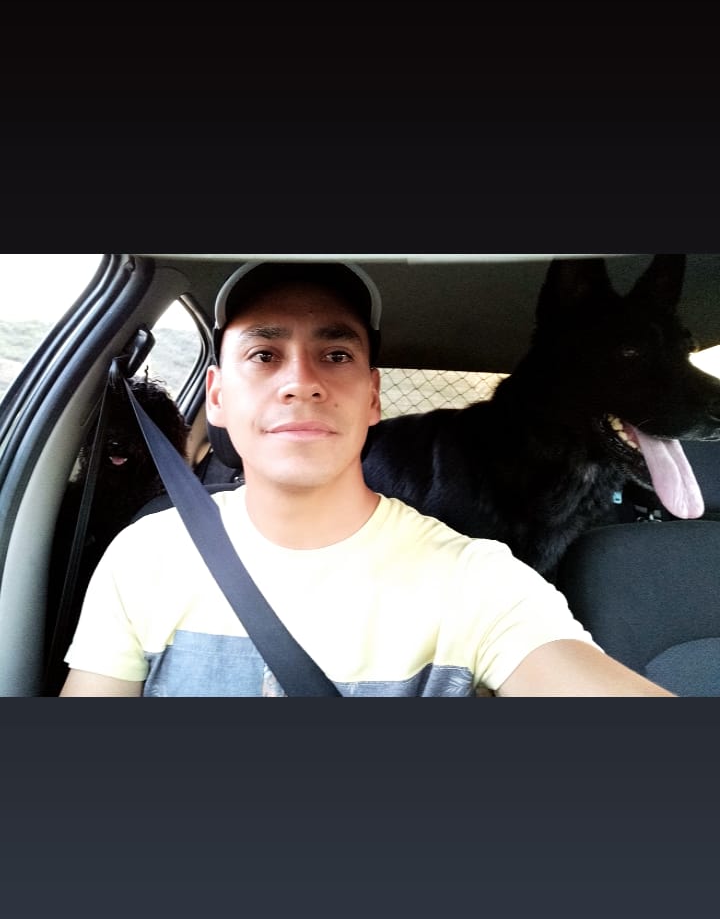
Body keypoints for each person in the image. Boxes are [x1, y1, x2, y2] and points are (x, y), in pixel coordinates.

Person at [60, 261, 674, 698]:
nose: (301, 382)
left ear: (374, 397)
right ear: (216, 397)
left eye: (336, 355)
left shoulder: (480, 581)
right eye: (263, 355)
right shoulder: (146, 554)